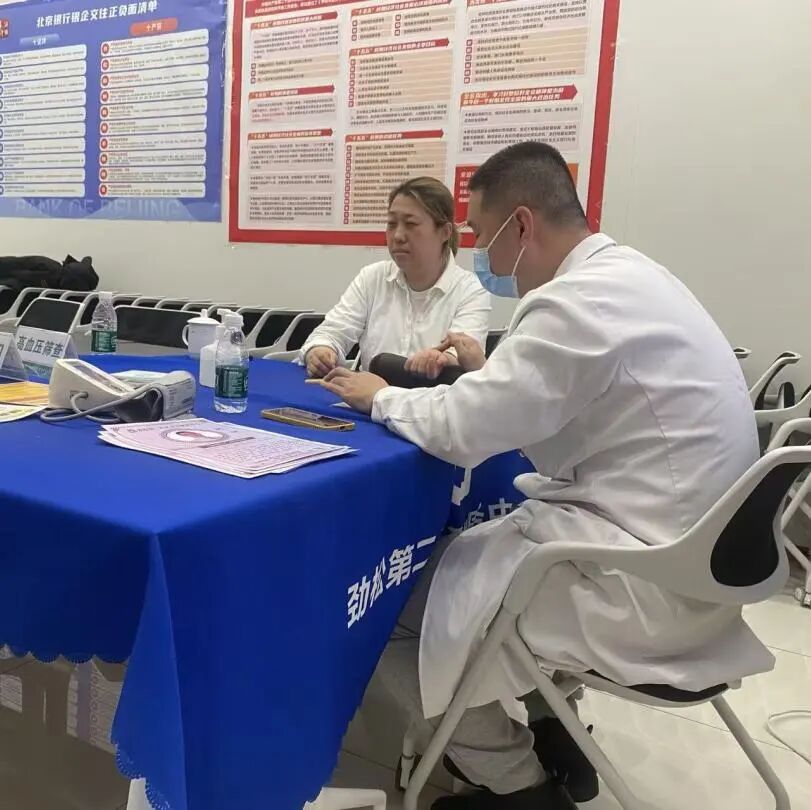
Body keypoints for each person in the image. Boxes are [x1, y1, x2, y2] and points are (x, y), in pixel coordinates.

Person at [322, 142, 769, 810]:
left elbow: (466, 428)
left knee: (386, 604)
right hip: (695, 570)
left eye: (481, 234)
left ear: (522, 225)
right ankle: (556, 734)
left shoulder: (573, 302)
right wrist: (486, 379)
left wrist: (380, 397)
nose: (481, 253)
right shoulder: (635, 278)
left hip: (641, 584)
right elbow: (548, 408)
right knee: (473, 570)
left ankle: (518, 787)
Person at [299, 177, 490, 378]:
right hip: (365, 396)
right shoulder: (372, 278)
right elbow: (331, 332)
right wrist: (321, 350)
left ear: (444, 232)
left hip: (432, 397)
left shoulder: (471, 290)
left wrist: (441, 360)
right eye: (391, 224)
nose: (398, 236)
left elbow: (461, 356)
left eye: (411, 224)